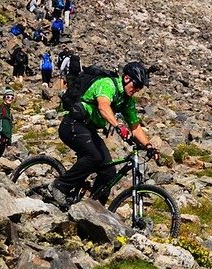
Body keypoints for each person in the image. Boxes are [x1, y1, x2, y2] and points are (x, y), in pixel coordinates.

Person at [51, 62, 159, 206]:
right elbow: (103, 106)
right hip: (73, 125)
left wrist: (149, 146)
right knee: (95, 156)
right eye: (137, 85)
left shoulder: (127, 101)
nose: (137, 89)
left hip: (88, 130)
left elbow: (135, 127)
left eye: (140, 87)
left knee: (108, 171)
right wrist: (118, 125)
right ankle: (60, 186)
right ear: (126, 78)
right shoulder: (108, 84)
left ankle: (95, 210)